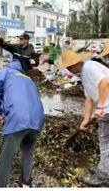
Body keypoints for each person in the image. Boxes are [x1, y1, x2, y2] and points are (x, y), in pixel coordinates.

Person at [0, 59, 45, 187]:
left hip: (18, 118)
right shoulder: (28, 79)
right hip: (38, 119)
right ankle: (25, 182)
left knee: (6, 159)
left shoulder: (4, 72)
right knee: (28, 152)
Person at [59, 49, 109, 186]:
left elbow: (104, 82)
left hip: (107, 110)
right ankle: (105, 168)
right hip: (106, 109)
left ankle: (103, 175)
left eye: (69, 67)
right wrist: (85, 120)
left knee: (105, 142)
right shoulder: (84, 73)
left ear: (75, 63)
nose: (69, 70)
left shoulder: (89, 67)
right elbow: (88, 99)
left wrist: (100, 107)